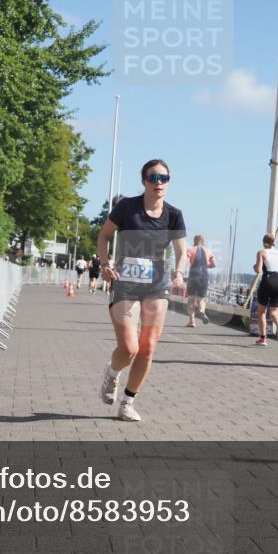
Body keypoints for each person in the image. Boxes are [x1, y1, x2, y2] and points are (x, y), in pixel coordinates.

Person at [97, 159, 186, 422]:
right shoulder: (126, 207)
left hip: (157, 285)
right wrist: (104, 264)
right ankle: (112, 373)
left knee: (148, 349)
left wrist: (179, 272)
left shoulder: (174, 214)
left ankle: (128, 402)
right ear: (144, 181)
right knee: (129, 348)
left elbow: (181, 251)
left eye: (164, 178)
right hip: (125, 283)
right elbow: (103, 236)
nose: (159, 183)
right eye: (153, 177)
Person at [253, 233, 278, 346]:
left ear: (263, 242)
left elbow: (258, 270)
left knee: (261, 312)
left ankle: (263, 338)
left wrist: (254, 267)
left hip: (267, 280)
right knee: (274, 313)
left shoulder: (261, 252)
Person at [185, 235, 216, 326]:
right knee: (201, 299)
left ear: (194, 241)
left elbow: (186, 262)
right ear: (203, 241)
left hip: (193, 275)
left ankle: (192, 321)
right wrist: (207, 266)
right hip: (204, 276)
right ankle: (202, 312)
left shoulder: (191, 249)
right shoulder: (209, 251)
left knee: (191, 299)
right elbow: (214, 264)